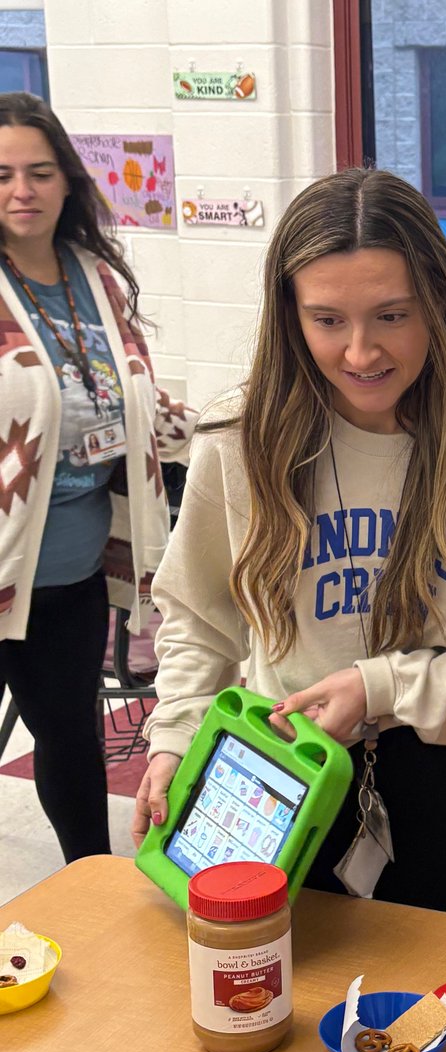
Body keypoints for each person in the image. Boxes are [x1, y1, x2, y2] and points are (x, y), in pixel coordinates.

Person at [132, 168, 446, 923]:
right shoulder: (239, 442)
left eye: (391, 315)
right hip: (272, 771)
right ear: (290, 318)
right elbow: (198, 617)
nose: (360, 352)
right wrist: (175, 737)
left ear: (439, 305)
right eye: (327, 320)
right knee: (272, 1004)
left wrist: (381, 689)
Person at [0, 92, 194, 862]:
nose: (22, 190)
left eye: (40, 172)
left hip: (72, 570)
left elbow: (135, 399)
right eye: (4, 173)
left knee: (70, 736)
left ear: (68, 183)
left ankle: (90, 887)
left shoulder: (94, 276)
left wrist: (214, 426)